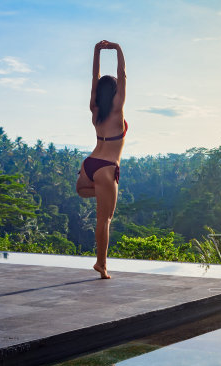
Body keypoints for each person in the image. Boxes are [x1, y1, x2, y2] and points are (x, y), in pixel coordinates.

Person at [76, 40, 127, 279]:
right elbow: (122, 75)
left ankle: (102, 194)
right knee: (105, 219)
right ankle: (101, 264)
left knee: (85, 192)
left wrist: (96, 51)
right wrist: (117, 49)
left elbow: (94, 78)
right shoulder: (117, 109)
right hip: (107, 168)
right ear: (115, 92)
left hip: (89, 165)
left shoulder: (94, 108)